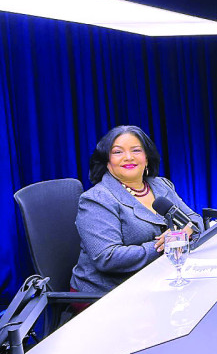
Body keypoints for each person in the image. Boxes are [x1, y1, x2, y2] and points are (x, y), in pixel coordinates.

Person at [70, 125, 203, 294]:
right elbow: (107, 258)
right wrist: (166, 245)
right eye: (118, 152)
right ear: (107, 161)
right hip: (106, 293)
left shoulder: (161, 185)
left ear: (146, 158)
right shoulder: (97, 199)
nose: (128, 157)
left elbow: (194, 220)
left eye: (136, 150)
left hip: (156, 279)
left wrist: (186, 231)